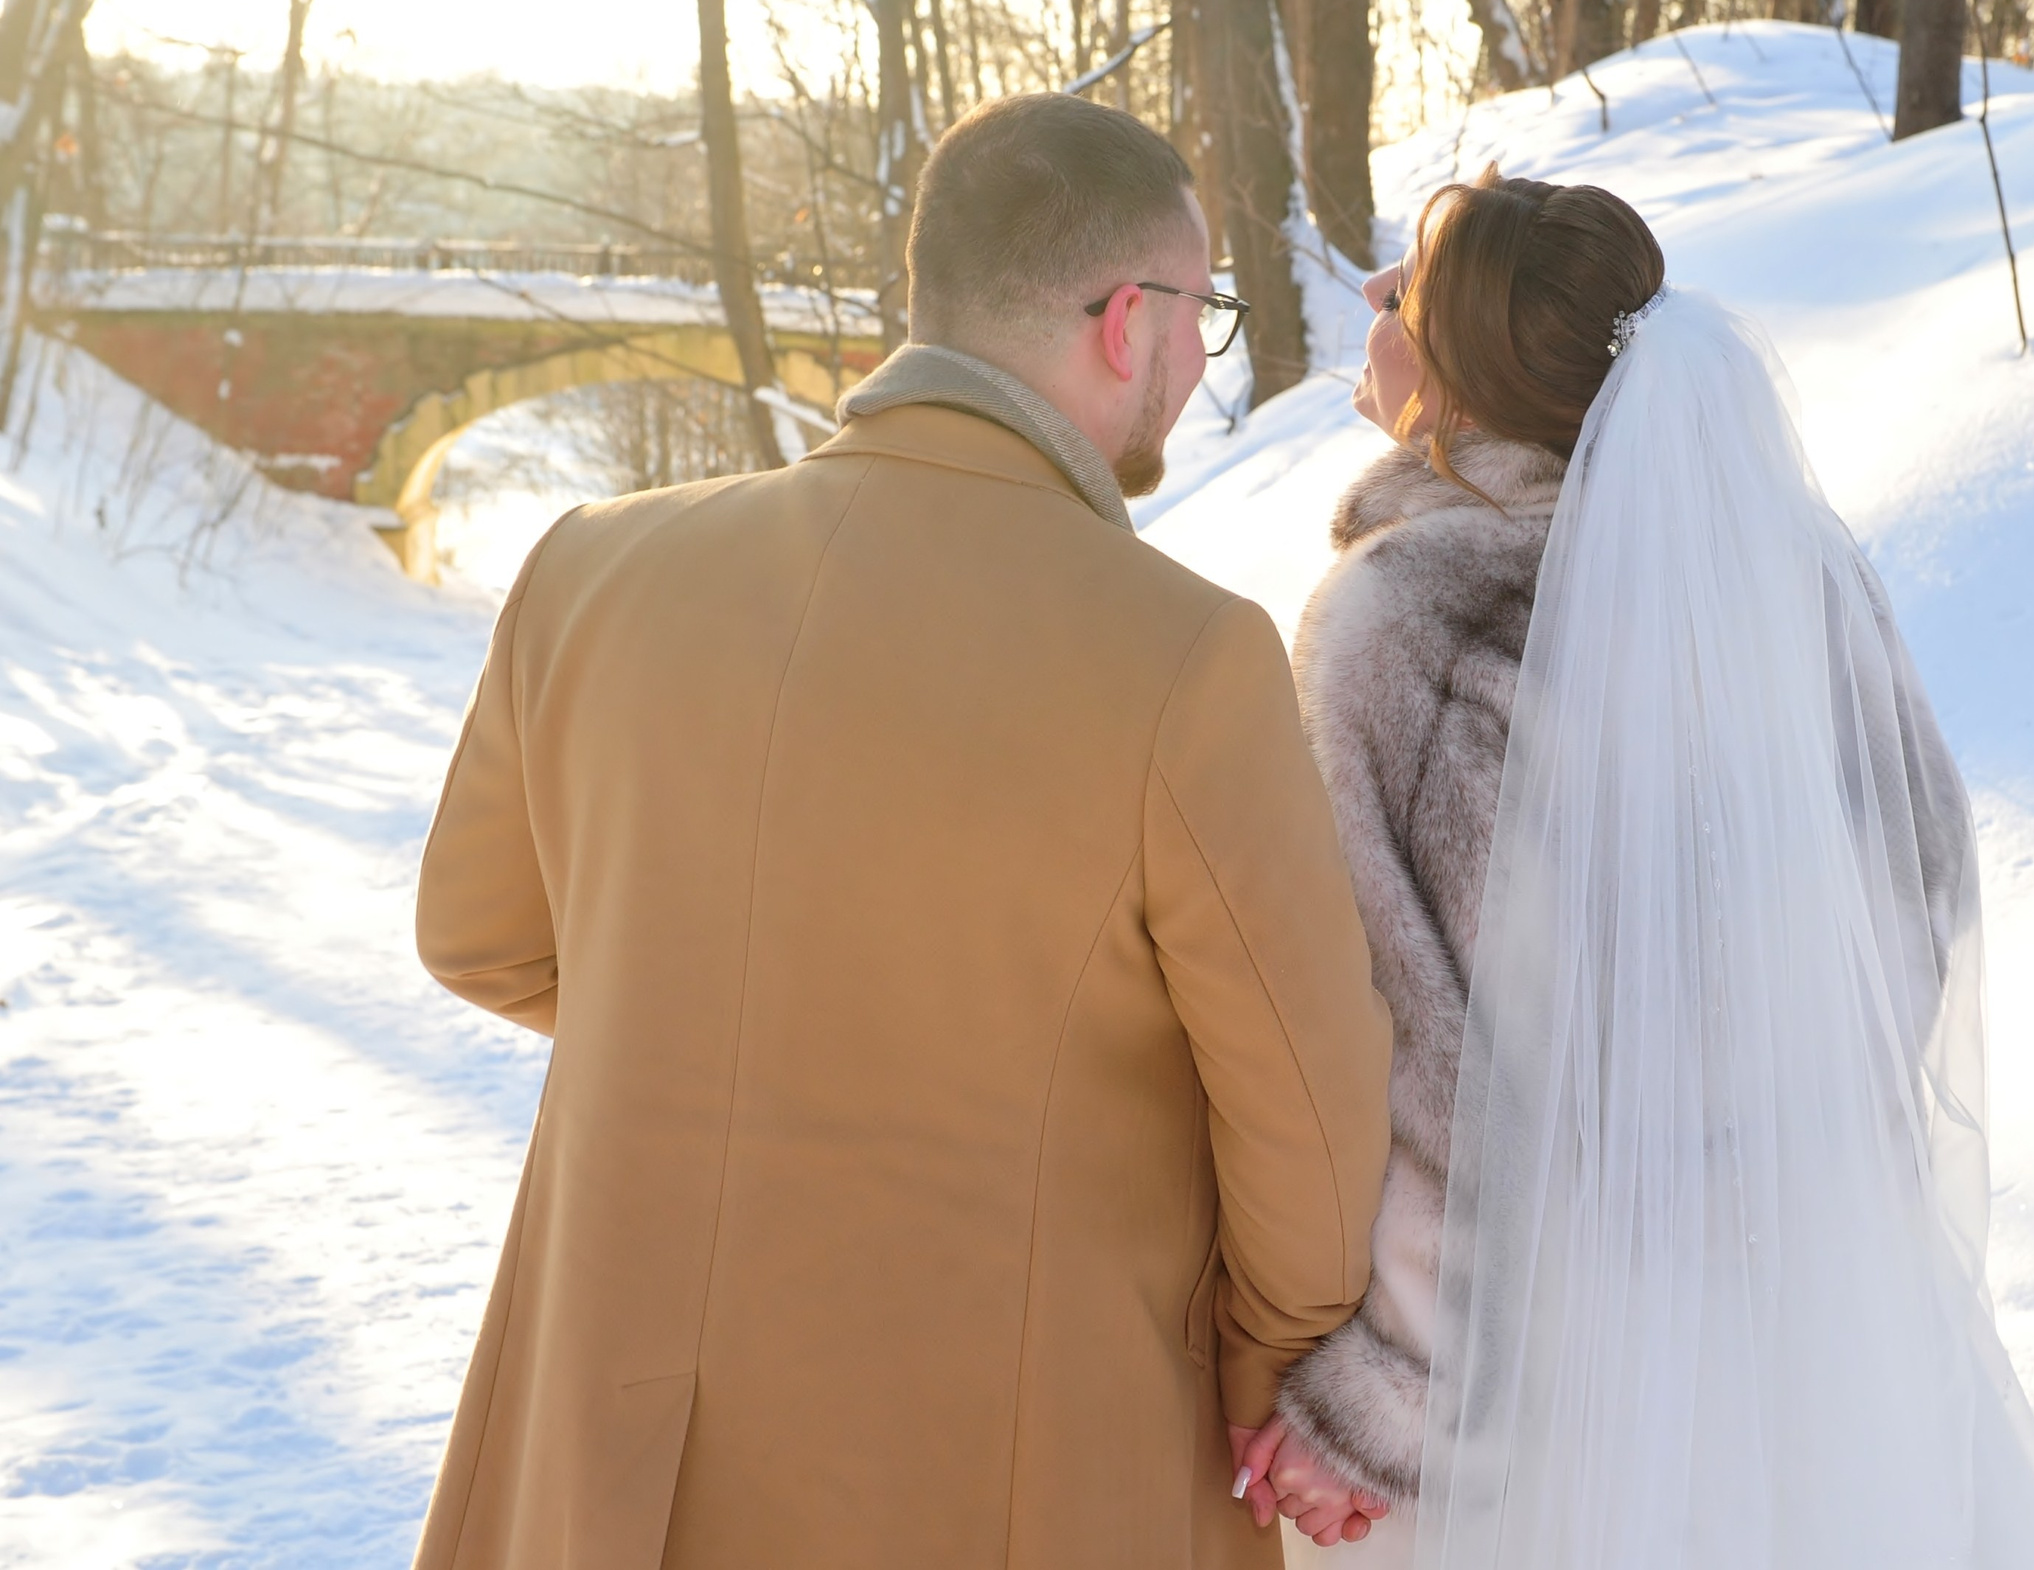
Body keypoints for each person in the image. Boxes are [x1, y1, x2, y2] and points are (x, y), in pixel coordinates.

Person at [408, 92, 1392, 1570]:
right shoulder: (1182, 656)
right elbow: (1307, 1126)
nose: (1202, 357)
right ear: (1129, 320)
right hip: (1011, 1457)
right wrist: (1274, 1367)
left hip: (611, 1462)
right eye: (1205, 312)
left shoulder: (590, 572)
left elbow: (476, 935)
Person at [1252, 171, 2034, 1570]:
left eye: (1409, 284)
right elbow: (1923, 892)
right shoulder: (1791, 572)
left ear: (1459, 376)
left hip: (1554, 1389)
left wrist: (1385, 1411)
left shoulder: (1400, 622)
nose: (1373, 293)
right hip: (1810, 1332)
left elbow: (1419, 1068)